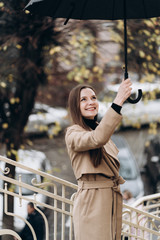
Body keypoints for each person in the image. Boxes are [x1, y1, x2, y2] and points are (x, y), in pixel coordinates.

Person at [65, 79, 132, 240]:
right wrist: (118, 101)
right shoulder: (73, 133)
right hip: (92, 204)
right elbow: (97, 138)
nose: (91, 102)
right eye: (84, 99)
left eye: (93, 98)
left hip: (109, 200)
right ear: (76, 106)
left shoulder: (97, 129)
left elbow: (100, 135)